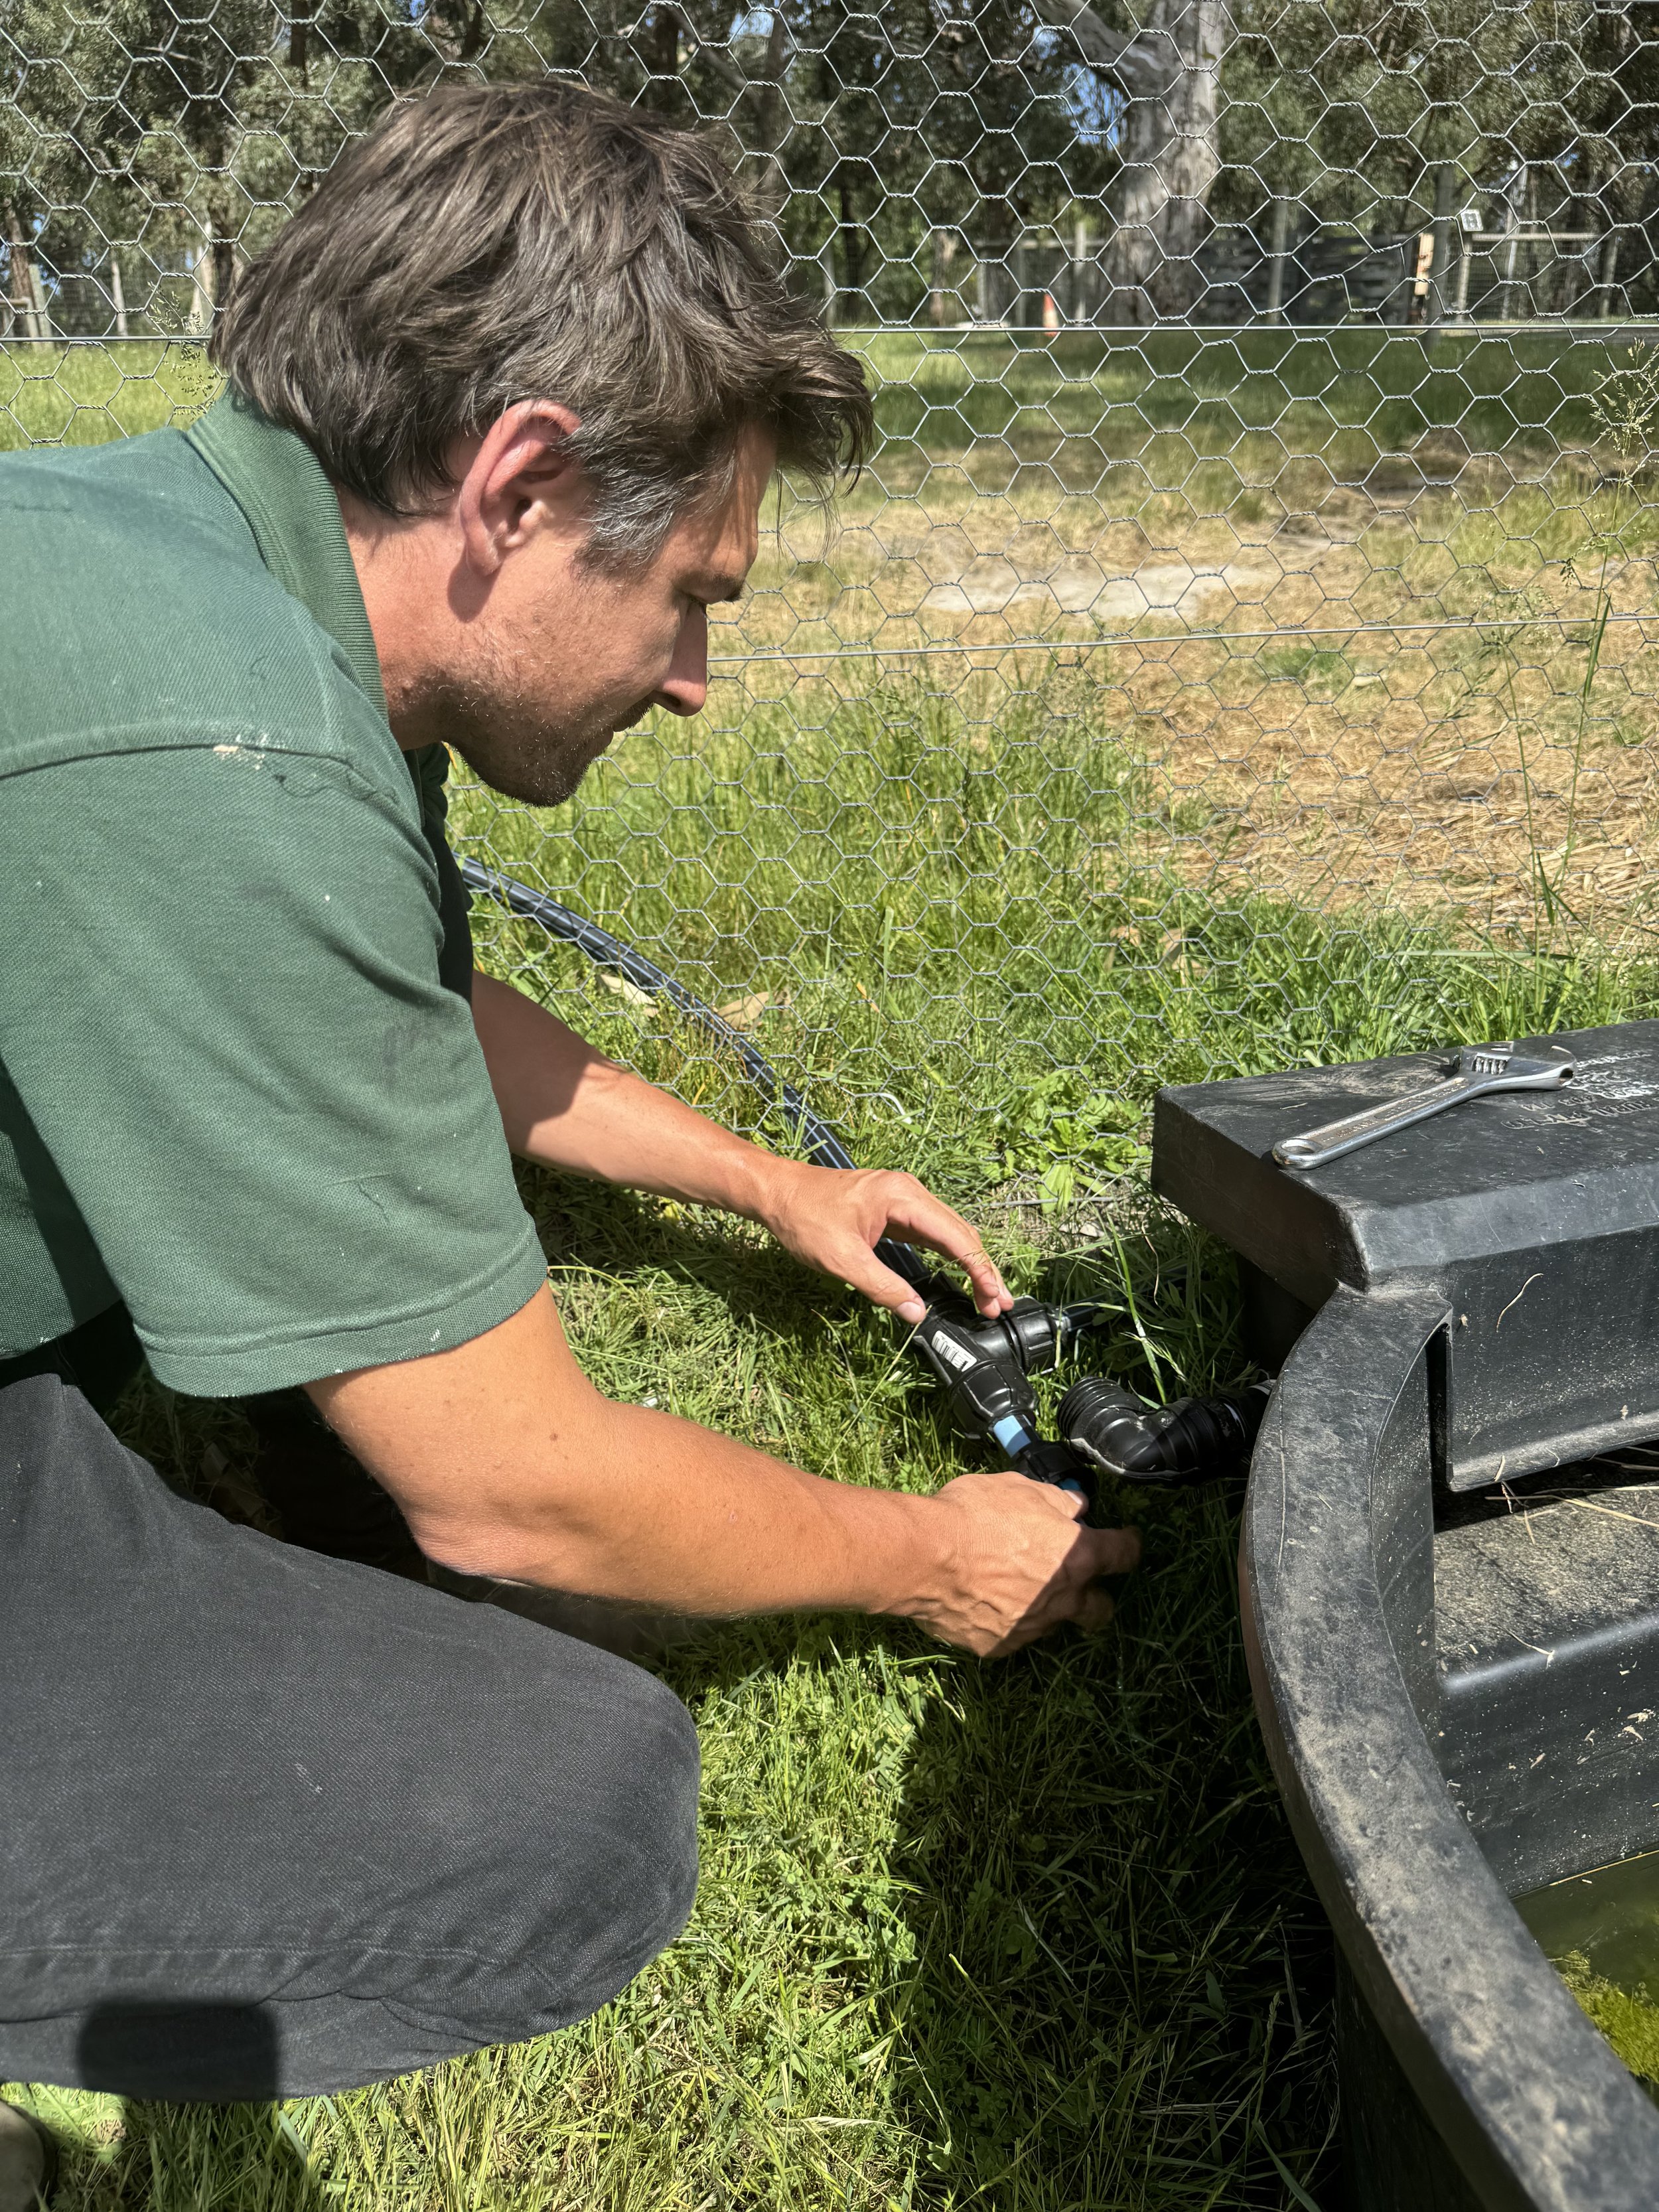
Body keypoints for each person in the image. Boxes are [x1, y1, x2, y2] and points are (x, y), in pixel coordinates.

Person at [0, 79, 1139, 2168]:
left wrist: (768, 1181)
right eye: (692, 588)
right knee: (557, 1810)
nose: (694, 673)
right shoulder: (219, 744)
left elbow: (394, 1006)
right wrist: (930, 1563)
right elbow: (521, 1496)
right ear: (515, 487)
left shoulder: (172, 564)